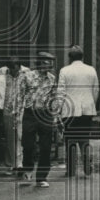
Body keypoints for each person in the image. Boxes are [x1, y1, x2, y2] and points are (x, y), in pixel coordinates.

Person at [56, 45, 100, 177]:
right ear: (82, 56)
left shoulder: (64, 71)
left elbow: (61, 92)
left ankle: (71, 170)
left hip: (69, 111)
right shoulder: (91, 70)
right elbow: (96, 90)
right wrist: (92, 104)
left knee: (70, 140)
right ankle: (87, 167)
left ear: (70, 57)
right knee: (84, 139)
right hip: (86, 110)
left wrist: (58, 109)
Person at [18, 52, 59, 188]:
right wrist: (17, 114)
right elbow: (20, 95)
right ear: (40, 62)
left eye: (51, 63)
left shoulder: (52, 79)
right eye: (47, 62)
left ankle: (41, 177)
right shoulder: (27, 76)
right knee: (28, 144)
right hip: (30, 113)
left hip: (46, 114)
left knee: (46, 147)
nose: (50, 66)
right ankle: (28, 170)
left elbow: (54, 98)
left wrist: (55, 116)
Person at [0, 56, 28, 176]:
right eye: (11, 70)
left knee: (20, 136)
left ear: (19, 67)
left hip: (21, 108)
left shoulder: (27, 73)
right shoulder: (2, 71)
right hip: (7, 108)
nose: (13, 72)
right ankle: (13, 164)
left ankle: (20, 164)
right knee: (10, 136)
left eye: (15, 70)